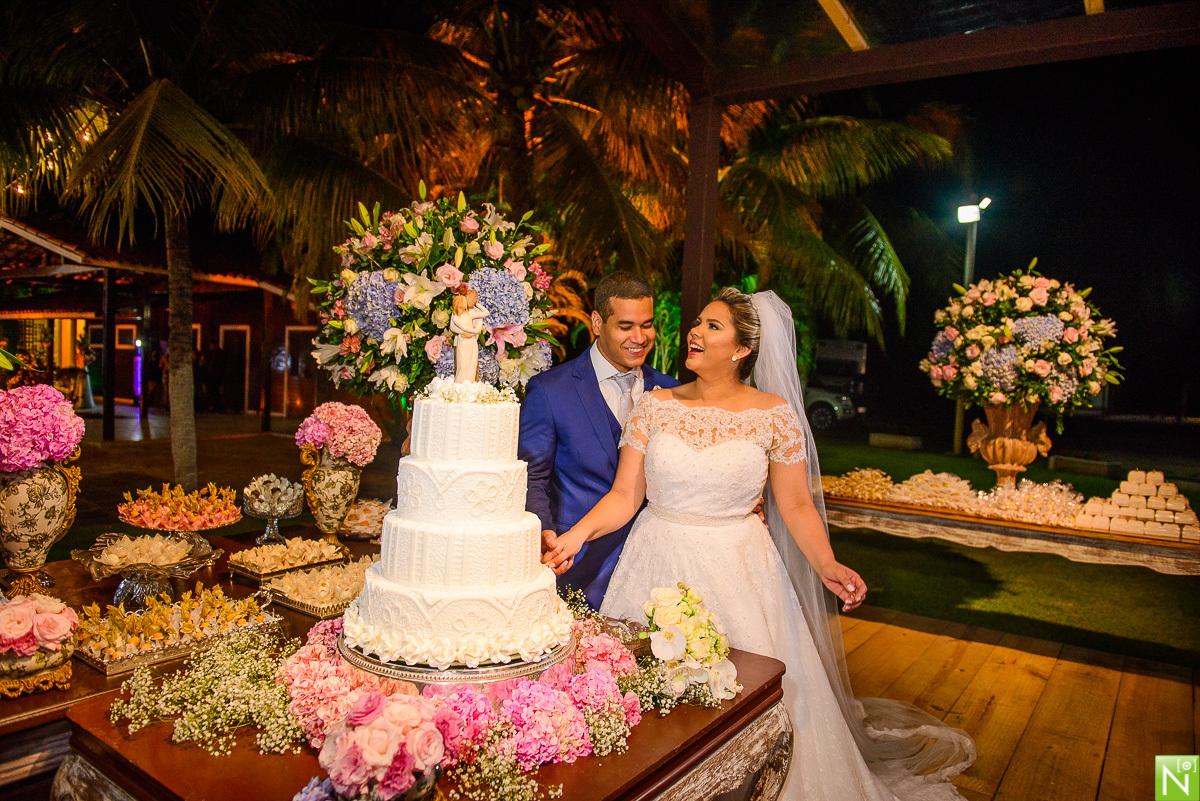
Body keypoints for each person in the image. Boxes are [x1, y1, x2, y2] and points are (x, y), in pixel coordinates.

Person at [545, 289, 976, 800]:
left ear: (742, 349)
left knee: (743, 701)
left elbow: (794, 505)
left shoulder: (774, 415)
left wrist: (826, 562)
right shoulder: (654, 407)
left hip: (738, 569)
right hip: (653, 558)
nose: (695, 332)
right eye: (698, 323)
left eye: (712, 327)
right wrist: (574, 537)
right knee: (645, 696)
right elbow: (623, 496)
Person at [518, 272, 679, 609]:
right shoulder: (550, 390)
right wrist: (546, 536)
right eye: (625, 326)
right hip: (575, 563)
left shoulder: (672, 391)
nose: (640, 337)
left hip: (654, 569)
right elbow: (532, 478)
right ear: (596, 322)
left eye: (647, 325)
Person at [449, 288, 490, 383]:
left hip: (472, 341)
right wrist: (462, 333)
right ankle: (460, 384)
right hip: (461, 340)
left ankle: (471, 384)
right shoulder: (457, 313)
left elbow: (478, 326)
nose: (469, 302)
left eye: (473, 300)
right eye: (468, 299)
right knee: (461, 364)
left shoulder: (475, 312)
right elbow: (453, 327)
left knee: (472, 363)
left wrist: (474, 331)